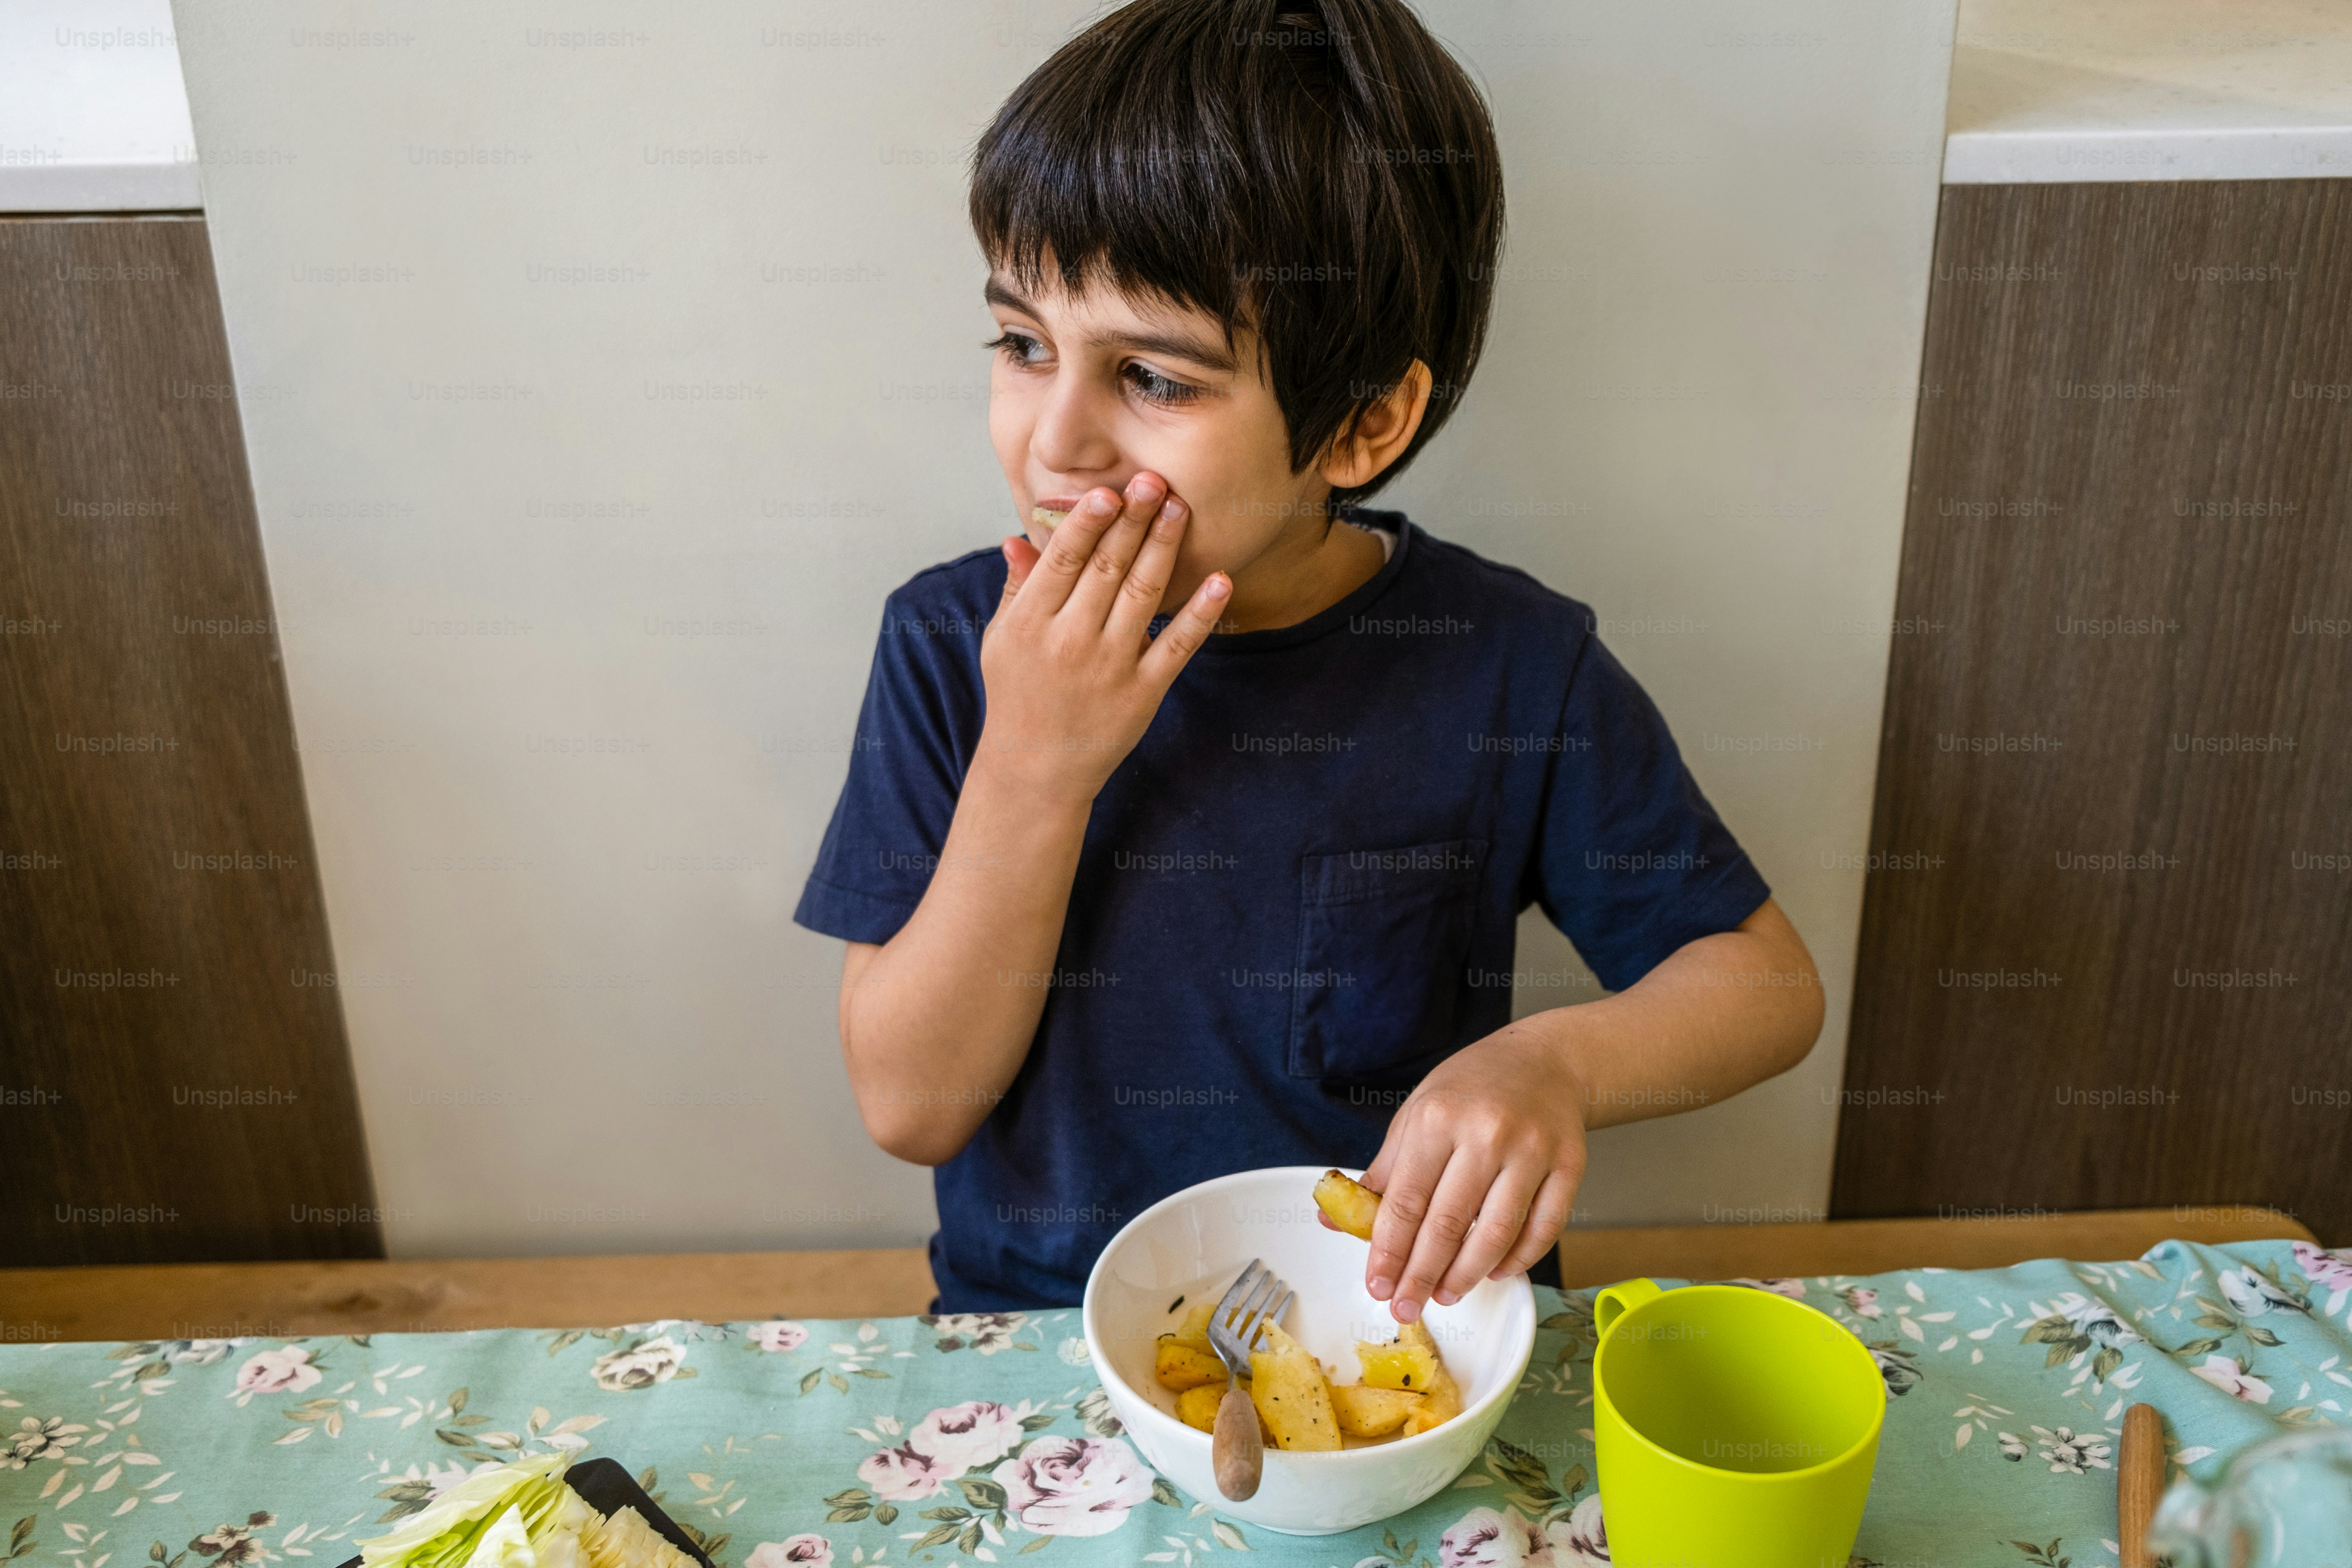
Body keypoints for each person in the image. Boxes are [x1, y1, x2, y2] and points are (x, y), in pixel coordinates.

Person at [793, 0, 1825, 1317]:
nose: (1054, 441)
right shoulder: (949, 643)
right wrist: (1034, 765)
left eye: (1152, 379)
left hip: (1396, 1334)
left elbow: (1765, 985)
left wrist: (1556, 1064)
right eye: (1021, 345)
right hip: (1041, 1337)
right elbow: (907, 1104)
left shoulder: (1505, 666)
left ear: (1363, 424)